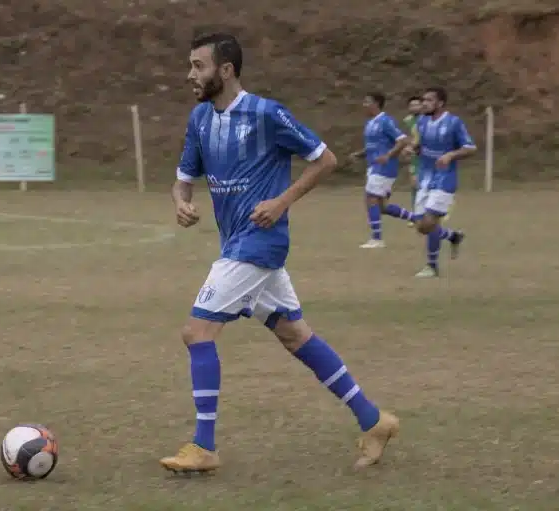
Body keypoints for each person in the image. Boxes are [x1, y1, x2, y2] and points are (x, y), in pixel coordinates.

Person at [160, 32, 399, 474]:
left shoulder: (266, 114)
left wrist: (281, 201)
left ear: (226, 70)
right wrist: (181, 201)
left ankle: (203, 446)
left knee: (197, 333)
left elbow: (325, 159)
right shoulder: (199, 119)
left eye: (198, 65)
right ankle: (373, 419)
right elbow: (183, 177)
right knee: (295, 336)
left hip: (259, 242)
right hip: (236, 242)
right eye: (190, 65)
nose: (190, 74)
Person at [408, 87, 475, 278]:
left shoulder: (453, 123)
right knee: (421, 227)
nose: (424, 104)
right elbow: (420, 145)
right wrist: (413, 149)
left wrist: (451, 155)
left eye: (429, 100)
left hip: (445, 179)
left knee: (430, 222)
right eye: (423, 100)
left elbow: (470, 148)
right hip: (425, 178)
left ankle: (432, 266)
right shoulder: (421, 122)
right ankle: (453, 236)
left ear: (440, 103)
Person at [350, 93, 410, 248]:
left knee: (371, 198)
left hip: (384, 167)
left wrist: (388, 155)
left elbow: (402, 140)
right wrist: (360, 154)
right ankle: (417, 218)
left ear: (376, 103)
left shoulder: (385, 121)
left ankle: (377, 239)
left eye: (367, 101)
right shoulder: (370, 123)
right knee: (381, 206)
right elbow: (373, 146)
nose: (364, 104)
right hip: (373, 166)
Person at [402, 96, 422, 227]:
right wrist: (408, 149)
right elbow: (407, 137)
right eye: (412, 105)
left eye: (417, 105)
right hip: (415, 156)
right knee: (414, 185)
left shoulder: (426, 120)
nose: (414, 107)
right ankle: (416, 215)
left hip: (427, 156)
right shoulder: (408, 121)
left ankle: (425, 214)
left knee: (424, 185)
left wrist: (413, 146)